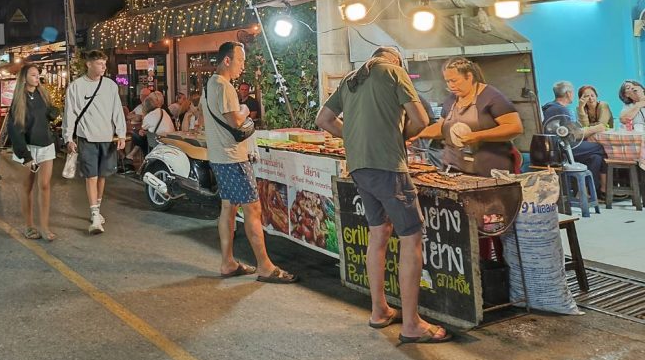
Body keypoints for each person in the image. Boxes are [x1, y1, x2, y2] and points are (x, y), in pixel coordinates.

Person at [317, 47, 450, 344]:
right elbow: (421, 119)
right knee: (411, 238)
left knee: (378, 233)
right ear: (396, 60)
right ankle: (412, 324)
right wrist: (399, 137)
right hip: (388, 166)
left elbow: (323, 119)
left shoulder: (351, 78)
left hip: (359, 167)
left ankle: (379, 310)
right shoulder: (394, 71)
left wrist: (354, 136)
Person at [204, 41, 297, 284]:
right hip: (233, 158)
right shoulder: (224, 86)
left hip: (219, 156)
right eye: (240, 61)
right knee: (252, 209)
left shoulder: (209, 85)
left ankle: (228, 263)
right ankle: (265, 266)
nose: (242, 66)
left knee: (228, 208)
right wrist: (245, 109)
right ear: (227, 60)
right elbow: (236, 121)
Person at [416, 58, 523, 176]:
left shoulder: (492, 98)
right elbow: (441, 128)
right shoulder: (451, 99)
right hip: (454, 169)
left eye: (454, 80)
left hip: (489, 171)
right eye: (447, 81)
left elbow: (515, 127)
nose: (451, 86)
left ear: (469, 76)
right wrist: (416, 134)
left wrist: (477, 136)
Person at [63, 50, 127, 234]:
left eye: (104, 64)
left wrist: (121, 134)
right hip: (87, 138)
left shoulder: (110, 85)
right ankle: (94, 215)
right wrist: (68, 138)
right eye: (100, 63)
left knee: (102, 176)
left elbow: (117, 110)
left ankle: (97, 210)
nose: (103, 67)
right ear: (89, 64)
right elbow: (69, 114)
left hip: (107, 138)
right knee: (91, 175)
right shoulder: (76, 87)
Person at [7, 64, 59, 241]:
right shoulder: (18, 100)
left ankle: (44, 226)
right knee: (27, 187)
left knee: (44, 185)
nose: (37, 78)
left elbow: (49, 112)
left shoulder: (42, 94)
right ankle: (29, 226)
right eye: (33, 75)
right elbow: (15, 130)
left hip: (46, 145)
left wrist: (54, 112)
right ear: (25, 78)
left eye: (38, 75)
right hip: (27, 147)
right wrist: (25, 156)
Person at [542, 81, 608, 191]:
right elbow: (574, 135)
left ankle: (587, 190)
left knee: (595, 157)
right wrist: (596, 128)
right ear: (568, 93)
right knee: (599, 147)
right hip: (561, 148)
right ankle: (602, 189)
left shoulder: (550, 107)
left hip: (554, 147)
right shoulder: (561, 109)